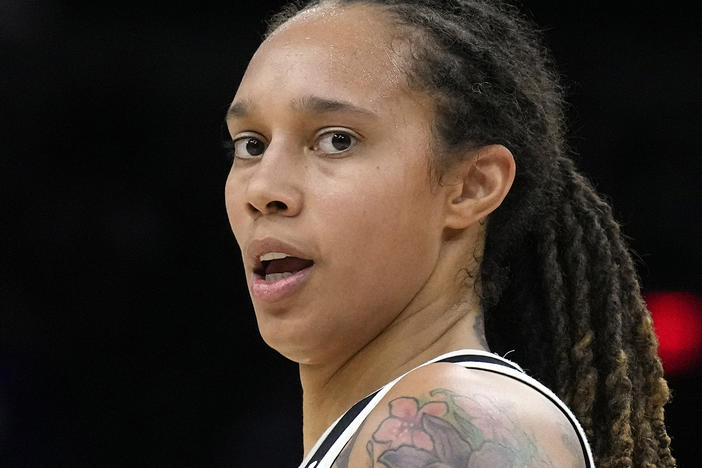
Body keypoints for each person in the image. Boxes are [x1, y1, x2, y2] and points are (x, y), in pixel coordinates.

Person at [222, 0, 676, 466]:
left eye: (337, 140)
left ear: (472, 186)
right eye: (250, 145)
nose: (263, 188)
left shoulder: (460, 424)